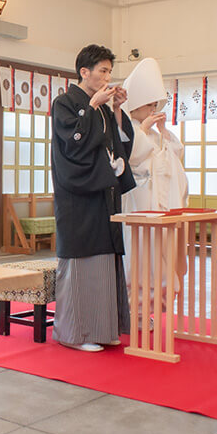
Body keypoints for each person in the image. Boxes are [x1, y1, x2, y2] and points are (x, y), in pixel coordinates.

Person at [51, 44, 135, 352]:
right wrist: (90, 107)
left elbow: (115, 144)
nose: (107, 77)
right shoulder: (65, 103)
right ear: (84, 72)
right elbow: (72, 147)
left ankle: (102, 329)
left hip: (102, 193)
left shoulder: (101, 106)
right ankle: (74, 333)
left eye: (110, 71)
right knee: (81, 263)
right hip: (78, 198)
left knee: (104, 260)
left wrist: (113, 109)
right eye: (102, 70)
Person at [122, 57, 188, 214]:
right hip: (142, 195)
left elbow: (176, 153)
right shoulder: (127, 129)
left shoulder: (153, 132)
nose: (152, 110)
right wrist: (143, 128)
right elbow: (133, 156)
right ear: (134, 107)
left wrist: (163, 130)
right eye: (148, 105)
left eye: (155, 106)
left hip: (162, 192)